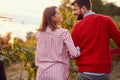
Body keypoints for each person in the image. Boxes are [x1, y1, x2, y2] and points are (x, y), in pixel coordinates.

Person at [71, 0, 120, 80]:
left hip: (85, 73)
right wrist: (112, 53)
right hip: (104, 73)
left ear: (83, 8)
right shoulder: (107, 20)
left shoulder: (77, 27)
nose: (73, 13)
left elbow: (73, 53)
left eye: (75, 9)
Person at [35, 6, 80, 80]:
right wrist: (78, 49)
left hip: (41, 74)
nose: (61, 14)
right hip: (57, 73)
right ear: (52, 17)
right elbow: (74, 53)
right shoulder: (64, 33)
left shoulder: (38, 34)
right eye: (58, 13)